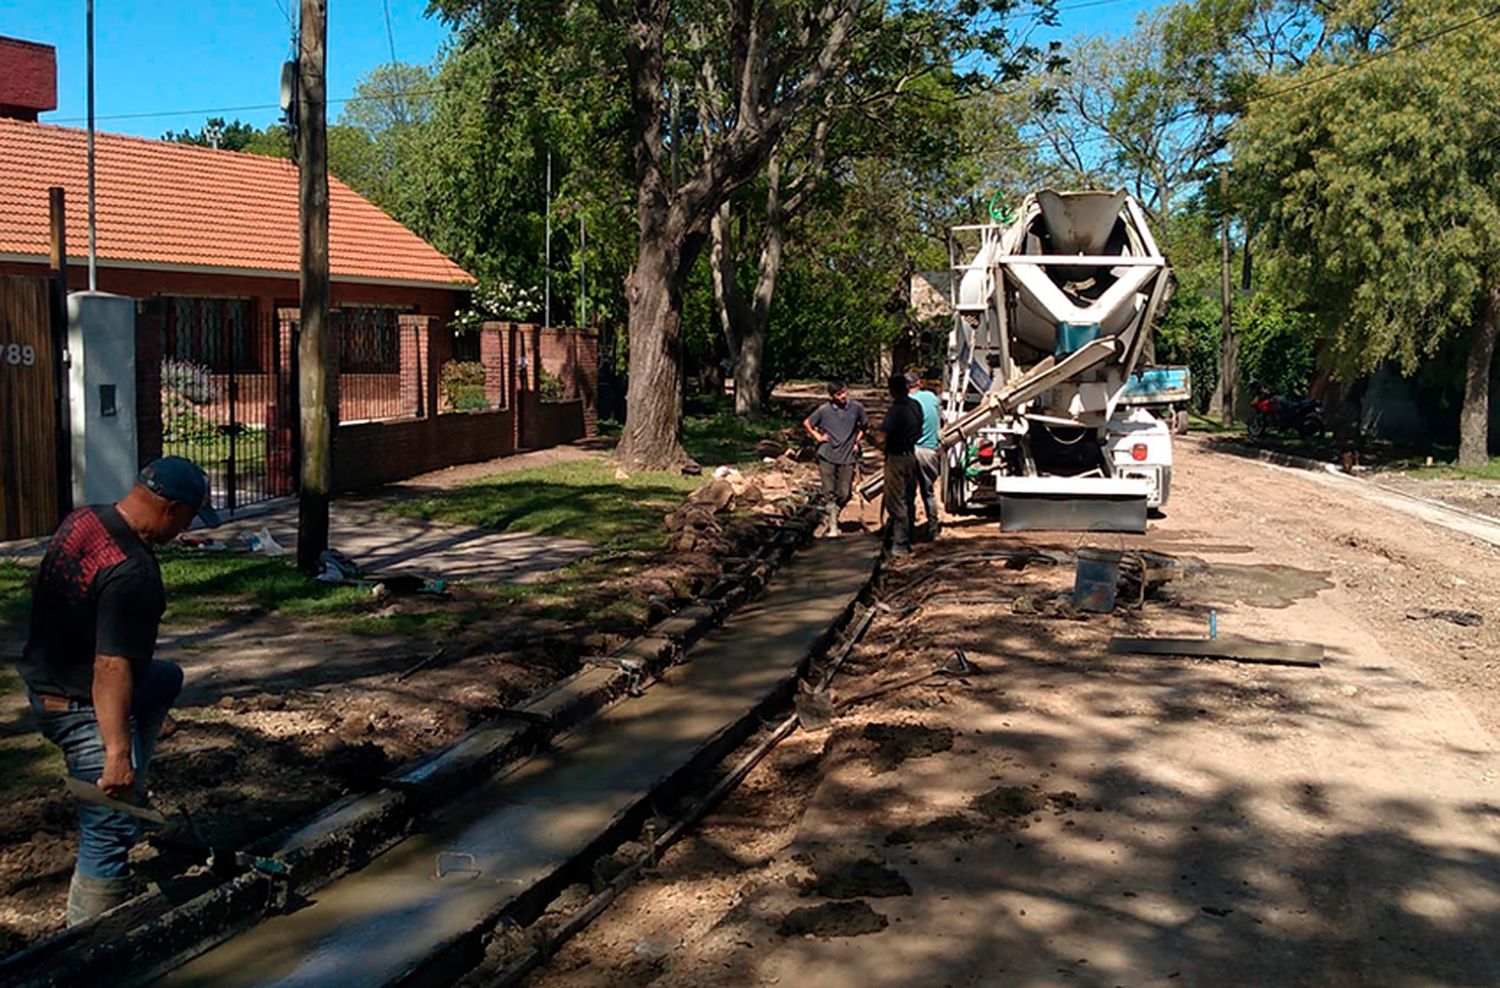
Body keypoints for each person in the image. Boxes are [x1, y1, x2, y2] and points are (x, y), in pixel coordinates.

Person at [17, 457, 219, 925]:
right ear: (170, 509)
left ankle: (133, 787)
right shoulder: (132, 574)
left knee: (165, 677)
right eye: (188, 517)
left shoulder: (84, 520)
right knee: (107, 830)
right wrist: (116, 753)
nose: (186, 528)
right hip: (80, 706)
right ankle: (91, 945)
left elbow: (46, 582)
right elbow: (110, 668)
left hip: (44, 682)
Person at [803, 381, 868, 538]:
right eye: (839, 394)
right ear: (832, 396)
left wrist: (857, 442)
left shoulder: (856, 408)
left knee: (845, 492)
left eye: (844, 392)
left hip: (847, 455)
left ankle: (834, 513)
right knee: (828, 490)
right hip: (827, 454)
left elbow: (864, 426)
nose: (843, 396)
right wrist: (818, 436)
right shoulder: (824, 410)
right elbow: (807, 423)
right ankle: (832, 522)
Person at [875, 372, 924, 558]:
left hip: (896, 457)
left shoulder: (896, 410)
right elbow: (919, 432)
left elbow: (882, 437)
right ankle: (907, 535)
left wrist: (875, 439)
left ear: (892, 391)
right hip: (911, 455)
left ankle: (900, 543)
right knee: (909, 496)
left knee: (896, 500)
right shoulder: (915, 406)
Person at [907, 368, 943, 540]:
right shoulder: (932, 397)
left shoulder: (906, 402)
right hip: (930, 451)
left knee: (909, 493)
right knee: (928, 492)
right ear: (918, 384)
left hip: (912, 451)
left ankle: (909, 530)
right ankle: (933, 529)